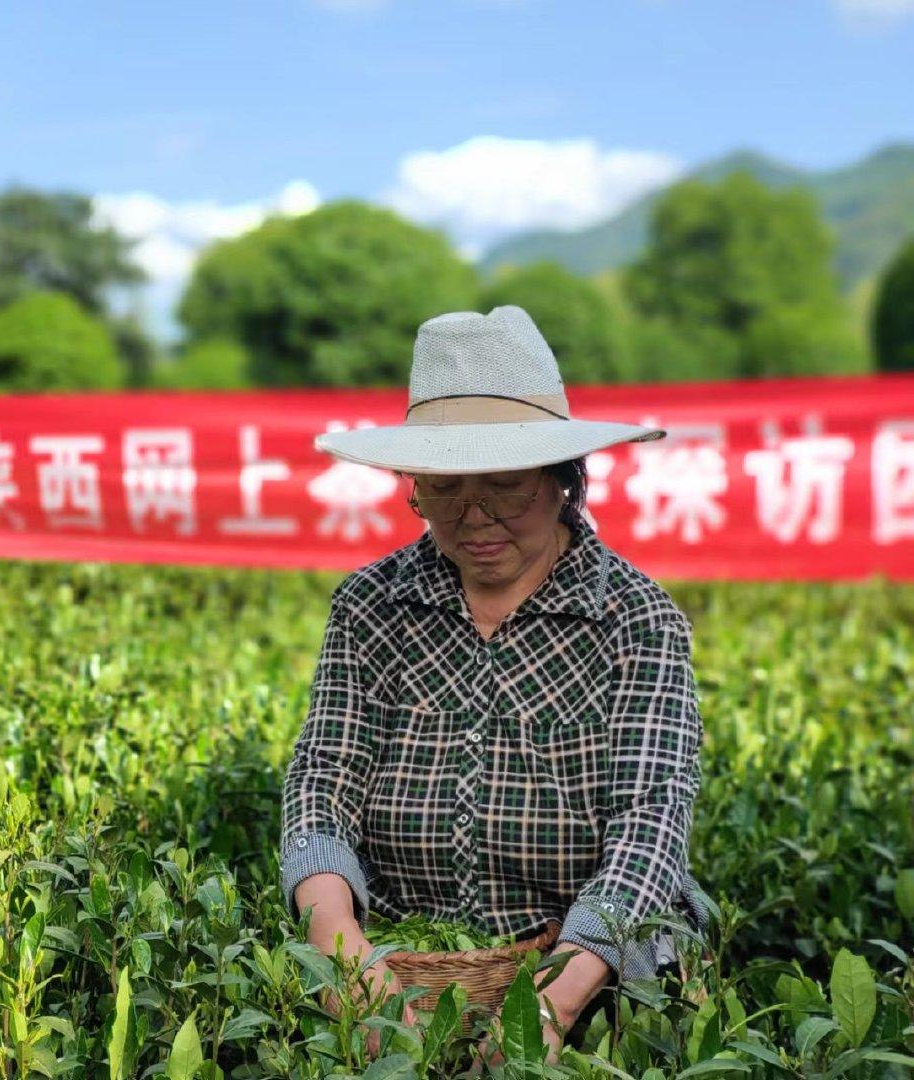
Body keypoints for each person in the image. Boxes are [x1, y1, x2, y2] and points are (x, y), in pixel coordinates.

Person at [280, 306, 712, 1064]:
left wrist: (552, 1002)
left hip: (589, 967)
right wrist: (340, 946)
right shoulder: (370, 606)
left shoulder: (636, 621)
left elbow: (650, 822)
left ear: (564, 481)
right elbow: (324, 777)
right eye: (443, 489)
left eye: (506, 487)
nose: (474, 518)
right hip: (400, 956)